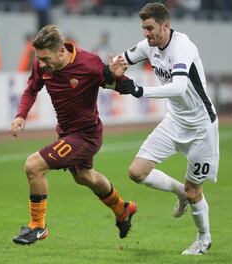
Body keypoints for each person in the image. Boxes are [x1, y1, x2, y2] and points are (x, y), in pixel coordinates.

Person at [10, 25, 137, 245]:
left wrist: (118, 77)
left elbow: (124, 86)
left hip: (86, 135)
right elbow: (32, 89)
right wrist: (21, 115)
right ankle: (122, 209)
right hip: (67, 133)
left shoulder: (89, 64)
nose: (41, 64)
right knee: (84, 177)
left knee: (33, 166)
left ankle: (38, 226)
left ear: (61, 51)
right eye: (38, 58)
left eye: (45, 58)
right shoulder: (42, 66)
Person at [111, 2, 219, 255]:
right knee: (136, 172)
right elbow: (120, 61)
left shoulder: (183, 47)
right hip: (175, 121)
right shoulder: (147, 46)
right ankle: (179, 192)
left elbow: (179, 87)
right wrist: (109, 70)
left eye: (150, 28)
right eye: (143, 28)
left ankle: (204, 239)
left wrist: (139, 90)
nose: (146, 33)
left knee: (195, 191)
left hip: (201, 127)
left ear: (165, 25)